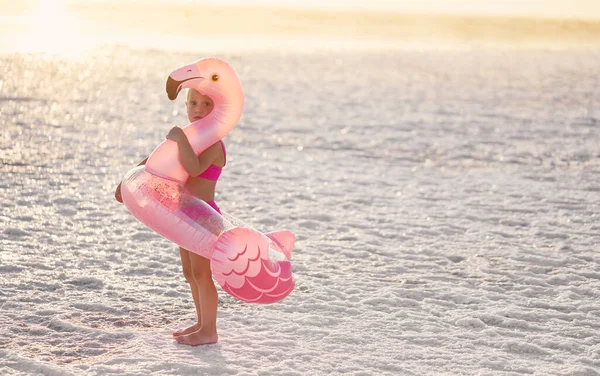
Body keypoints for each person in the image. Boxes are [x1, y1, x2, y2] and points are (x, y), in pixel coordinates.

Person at [114, 88, 226, 346]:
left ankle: (209, 330)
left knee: (201, 273)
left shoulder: (214, 144)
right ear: (186, 105)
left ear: (216, 110)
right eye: (194, 103)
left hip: (203, 216)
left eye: (206, 104)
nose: (198, 108)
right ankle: (201, 323)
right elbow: (156, 161)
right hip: (184, 214)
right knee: (189, 273)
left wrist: (180, 140)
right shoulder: (190, 139)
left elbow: (194, 167)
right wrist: (127, 182)